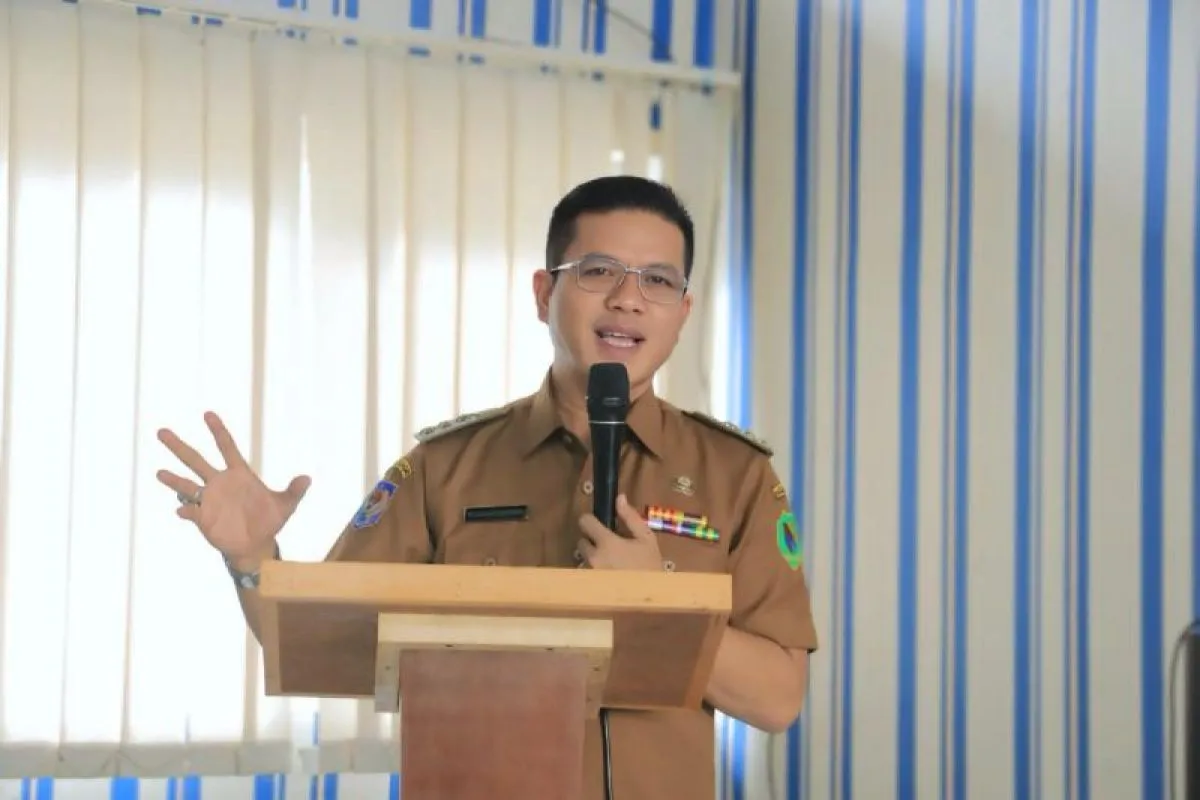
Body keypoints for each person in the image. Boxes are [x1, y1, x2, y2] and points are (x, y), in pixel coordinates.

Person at [156, 175, 819, 799]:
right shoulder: (445, 467)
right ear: (544, 293)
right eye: (598, 271)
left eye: (659, 280)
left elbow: (778, 699)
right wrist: (253, 558)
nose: (628, 298)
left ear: (684, 310)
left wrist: (662, 605)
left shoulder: (736, 476)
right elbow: (317, 644)